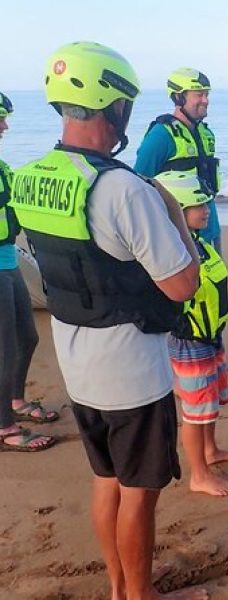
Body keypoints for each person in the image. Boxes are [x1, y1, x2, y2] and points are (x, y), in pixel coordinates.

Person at [10, 42, 206, 600]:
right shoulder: (121, 188)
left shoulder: (31, 177)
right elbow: (182, 283)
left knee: (107, 481)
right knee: (140, 493)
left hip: (77, 363)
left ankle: (121, 587)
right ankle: (140, 597)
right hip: (131, 369)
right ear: (113, 107)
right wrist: (174, 216)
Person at [155, 171, 228, 497]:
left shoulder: (199, 243)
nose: (206, 210)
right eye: (197, 205)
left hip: (210, 337)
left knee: (211, 403)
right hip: (189, 342)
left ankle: (210, 450)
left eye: (206, 202)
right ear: (177, 210)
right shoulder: (174, 251)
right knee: (195, 411)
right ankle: (199, 474)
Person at [0, 91, 57, 452]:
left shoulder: (3, 167)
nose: (5, 126)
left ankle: (15, 402)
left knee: (26, 338)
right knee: (4, 347)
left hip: (8, 260)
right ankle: (4, 427)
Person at [135, 68, 222, 252]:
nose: (205, 100)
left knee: (218, 277)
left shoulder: (205, 134)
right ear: (179, 97)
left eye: (207, 94)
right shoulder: (161, 135)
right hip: (179, 235)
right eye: (199, 95)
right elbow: (139, 182)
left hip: (210, 227)